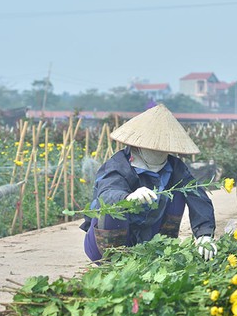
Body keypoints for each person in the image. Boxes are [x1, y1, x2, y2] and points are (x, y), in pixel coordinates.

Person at [80, 104, 217, 262]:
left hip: (150, 242)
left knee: (183, 191)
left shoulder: (174, 167)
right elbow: (107, 193)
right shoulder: (118, 165)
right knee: (112, 208)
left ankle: (163, 250)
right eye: (154, 147)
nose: (160, 152)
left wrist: (204, 234)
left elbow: (197, 196)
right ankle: (115, 261)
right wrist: (127, 197)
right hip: (106, 244)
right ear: (139, 146)